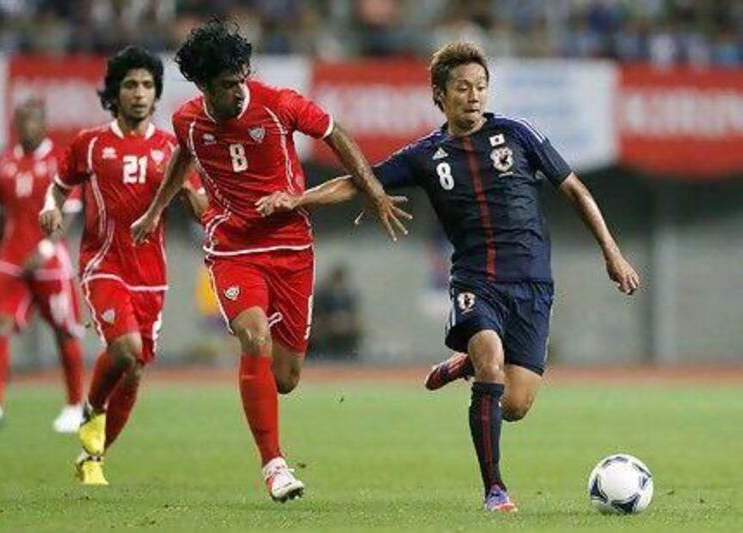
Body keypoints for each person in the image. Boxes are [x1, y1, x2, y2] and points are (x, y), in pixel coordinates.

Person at [256, 41, 641, 512]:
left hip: (533, 283)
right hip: (475, 280)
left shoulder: (518, 135)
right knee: (492, 363)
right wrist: (297, 199)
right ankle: (495, 489)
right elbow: (359, 181)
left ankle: (464, 365)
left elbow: (576, 191)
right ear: (440, 95)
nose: (474, 96)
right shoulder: (425, 155)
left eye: (481, 86)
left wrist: (612, 252)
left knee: (515, 405)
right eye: (462, 88)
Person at [130, 19, 409, 503]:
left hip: (290, 246)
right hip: (232, 245)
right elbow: (184, 158)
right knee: (253, 335)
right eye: (224, 86)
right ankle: (274, 465)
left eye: (240, 80)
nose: (236, 92)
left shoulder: (279, 103)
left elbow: (336, 133)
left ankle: (272, 436)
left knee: (286, 378)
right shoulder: (187, 121)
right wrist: (156, 210)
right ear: (202, 86)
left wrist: (374, 189)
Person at [40, 46, 206, 485]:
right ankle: (91, 409)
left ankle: (92, 457)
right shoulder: (90, 144)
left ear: (157, 94)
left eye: (147, 85)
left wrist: (196, 198)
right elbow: (59, 187)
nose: (139, 93)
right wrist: (52, 209)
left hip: (152, 276)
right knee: (126, 349)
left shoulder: (173, 148)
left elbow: (201, 209)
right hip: (103, 263)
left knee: (133, 370)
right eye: (130, 84)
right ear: (115, 92)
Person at [0, 99, 85, 434]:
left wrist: (46, 246)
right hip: (10, 259)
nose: (27, 126)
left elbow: (69, 211)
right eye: (22, 120)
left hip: (48, 261)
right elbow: (0, 220)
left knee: (63, 331)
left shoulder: (60, 160)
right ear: (15, 124)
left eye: (33, 120)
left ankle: (74, 406)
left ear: (44, 124)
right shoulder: (3, 163)